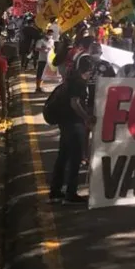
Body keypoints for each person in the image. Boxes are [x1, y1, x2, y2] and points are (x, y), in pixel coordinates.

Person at [48, 54, 94, 205]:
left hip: (65, 123)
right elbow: (75, 103)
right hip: (73, 124)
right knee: (75, 159)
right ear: (87, 69)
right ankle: (70, 194)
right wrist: (86, 117)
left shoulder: (70, 79)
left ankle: (55, 191)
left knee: (63, 157)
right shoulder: (79, 83)